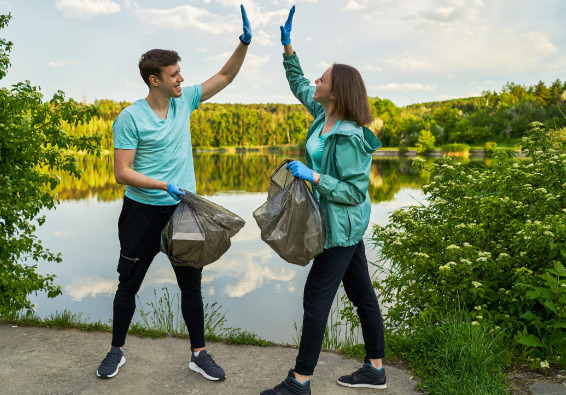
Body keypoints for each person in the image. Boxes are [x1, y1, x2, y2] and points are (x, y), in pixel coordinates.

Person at [95, 5, 252, 382]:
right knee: (128, 283)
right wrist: (162, 184)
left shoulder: (185, 101)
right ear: (154, 80)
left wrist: (244, 42)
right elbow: (122, 173)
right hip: (142, 212)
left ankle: (199, 354)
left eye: (181, 73)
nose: (182, 79)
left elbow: (226, 76)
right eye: (174, 74)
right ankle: (116, 351)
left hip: (183, 212)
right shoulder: (130, 118)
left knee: (190, 284)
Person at [261, 6, 386, 395]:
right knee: (362, 292)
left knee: (316, 298)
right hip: (341, 223)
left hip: (340, 227)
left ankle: (299, 381)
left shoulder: (349, 136)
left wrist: (314, 176)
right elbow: (299, 83)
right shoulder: (322, 112)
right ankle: (376, 369)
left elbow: (353, 191)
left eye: (323, 78)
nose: (316, 80)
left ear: (337, 90)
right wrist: (287, 47)